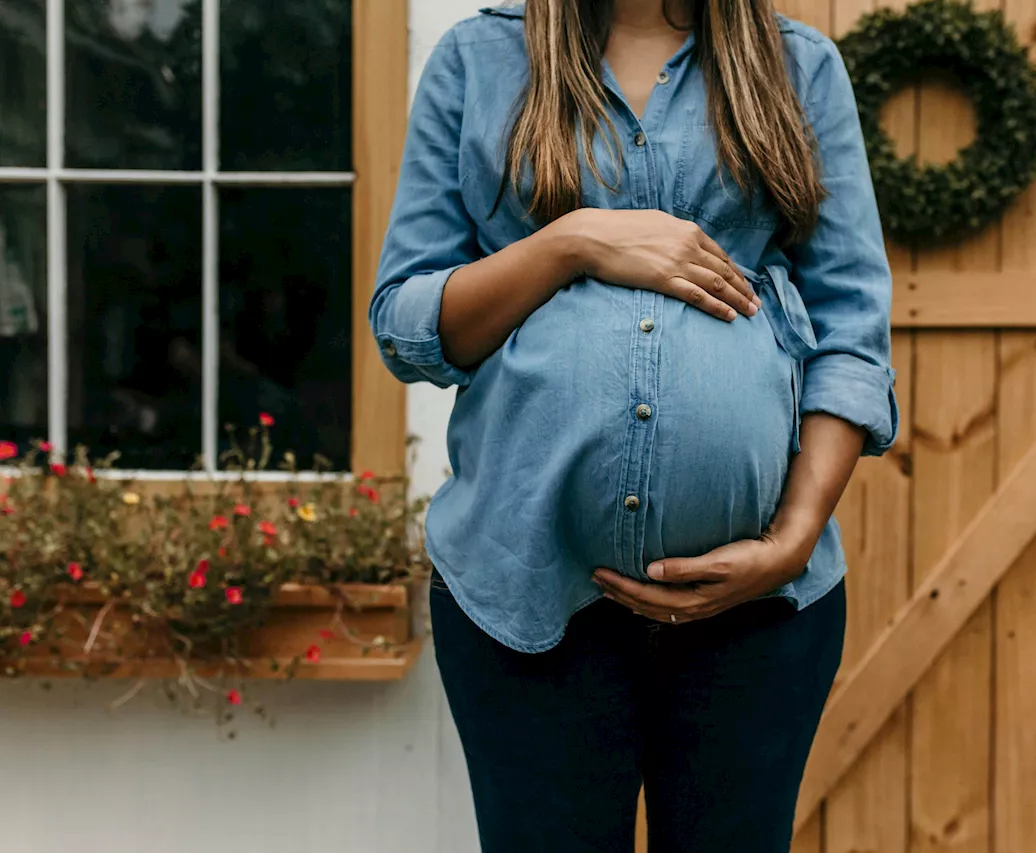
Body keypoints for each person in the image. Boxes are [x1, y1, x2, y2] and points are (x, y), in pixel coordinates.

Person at [370, 0, 896, 849]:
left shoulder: (799, 67)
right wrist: (570, 242)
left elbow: (852, 331)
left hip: (757, 610)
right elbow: (408, 323)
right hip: (523, 594)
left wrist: (794, 538)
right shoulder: (479, 60)